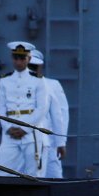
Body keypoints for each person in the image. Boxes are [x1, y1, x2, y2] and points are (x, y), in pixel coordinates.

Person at [0, 41, 49, 177]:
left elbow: (42, 107)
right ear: (12, 58)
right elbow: (1, 107)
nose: (18, 62)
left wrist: (24, 128)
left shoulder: (38, 80)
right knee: (0, 170)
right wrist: (8, 127)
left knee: (33, 173)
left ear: (28, 59)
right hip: (10, 131)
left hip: (30, 132)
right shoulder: (4, 80)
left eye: (22, 58)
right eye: (16, 58)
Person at [29, 50, 69, 179]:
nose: (32, 70)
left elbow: (61, 115)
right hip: (25, 141)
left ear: (40, 67)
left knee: (53, 176)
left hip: (48, 142)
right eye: (30, 66)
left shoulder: (52, 85)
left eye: (35, 67)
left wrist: (60, 142)